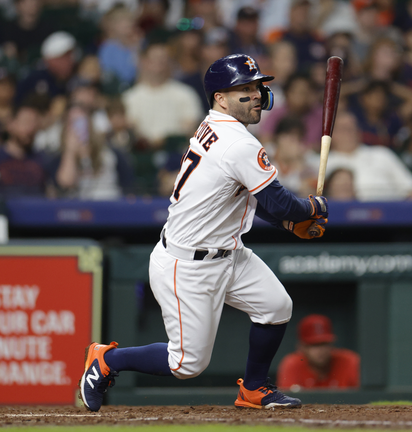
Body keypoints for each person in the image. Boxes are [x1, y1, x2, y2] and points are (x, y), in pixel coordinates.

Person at [79, 54, 329, 412]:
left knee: (276, 307)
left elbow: (256, 201)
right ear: (220, 98)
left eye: (257, 86)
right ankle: (107, 360)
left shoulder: (218, 126)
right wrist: (312, 209)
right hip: (188, 264)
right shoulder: (236, 142)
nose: (256, 94)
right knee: (186, 365)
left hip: (228, 251)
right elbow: (280, 205)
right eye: (244, 88)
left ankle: (254, 389)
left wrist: (292, 220)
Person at [321, 112, 412, 201]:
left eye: (352, 128)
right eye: (343, 129)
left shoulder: (382, 154)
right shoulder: (319, 163)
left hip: (389, 217)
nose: (348, 133)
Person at [120, 43, 203, 148]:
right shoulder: (130, 97)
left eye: (163, 59)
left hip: (176, 152)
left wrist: (164, 141)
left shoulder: (186, 94)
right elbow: (129, 128)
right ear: (144, 61)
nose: (159, 63)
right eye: (155, 58)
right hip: (142, 152)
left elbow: (191, 126)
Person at [52, 104, 133, 200]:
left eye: (81, 122)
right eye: (72, 123)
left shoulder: (111, 153)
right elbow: (66, 183)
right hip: (80, 208)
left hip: (110, 205)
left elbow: (129, 187)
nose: (77, 129)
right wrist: (70, 152)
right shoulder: (60, 159)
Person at [0, 101, 52, 198]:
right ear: (11, 124)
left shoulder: (43, 159)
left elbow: (51, 193)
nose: (30, 129)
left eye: (34, 124)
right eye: (26, 122)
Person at [276, 314, 360, 390]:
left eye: (324, 343)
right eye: (314, 345)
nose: (321, 350)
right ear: (301, 347)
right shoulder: (292, 364)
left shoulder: (349, 361)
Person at [0, 0, 56, 64]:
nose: (32, 5)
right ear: (18, 5)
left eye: (35, 2)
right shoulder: (9, 29)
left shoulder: (48, 27)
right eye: (27, 2)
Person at [97, 5, 142, 87]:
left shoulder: (141, 43)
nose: (127, 24)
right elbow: (113, 76)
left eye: (129, 20)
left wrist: (136, 48)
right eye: (122, 21)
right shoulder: (107, 48)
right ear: (113, 25)